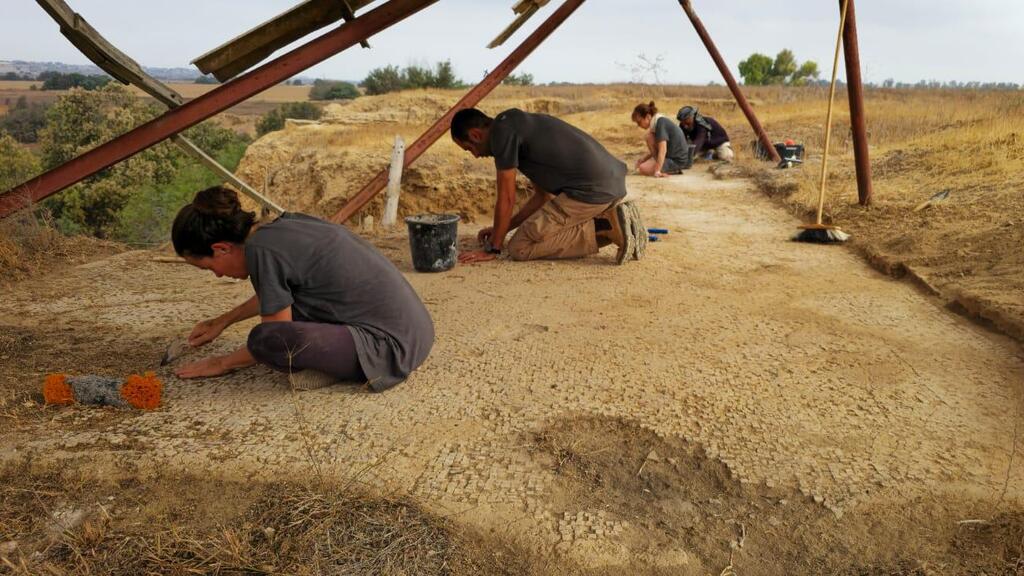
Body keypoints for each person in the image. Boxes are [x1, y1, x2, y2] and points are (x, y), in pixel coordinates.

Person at [170, 186, 434, 392]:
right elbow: (277, 295)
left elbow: (278, 334)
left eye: (208, 267)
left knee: (265, 341)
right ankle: (338, 358)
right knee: (291, 311)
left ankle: (341, 367)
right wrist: (222, 321)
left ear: (221, 248)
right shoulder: (280, 228)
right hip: (415, 333)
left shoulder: (261, 252)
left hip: (389, 349)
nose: (217, 275)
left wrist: (222, 362)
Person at [450, 107, 645, 266]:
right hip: (610, 184)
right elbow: (541, 197)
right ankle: (615, 222)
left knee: (519, 247)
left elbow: (507, 198)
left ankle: (608, 226)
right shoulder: (515, 125)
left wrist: (493, 247)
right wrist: (501, 229)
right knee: (542, 232)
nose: (475, 155)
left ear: (475, 135)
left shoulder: (501, 135)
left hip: (591, 192)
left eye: (470, 149)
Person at [632, 101, 690, 177]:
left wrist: (657, 171)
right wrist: (643, 159)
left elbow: (663, 150)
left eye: (639, 122)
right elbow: (659, 147)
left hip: (677, 161)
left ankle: (667, 168)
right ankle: (659, 164)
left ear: (648, 116)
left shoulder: (660, 123)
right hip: (671, 157)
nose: (639, 125)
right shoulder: (657, 122)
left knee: (642, 168)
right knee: (649, 137)